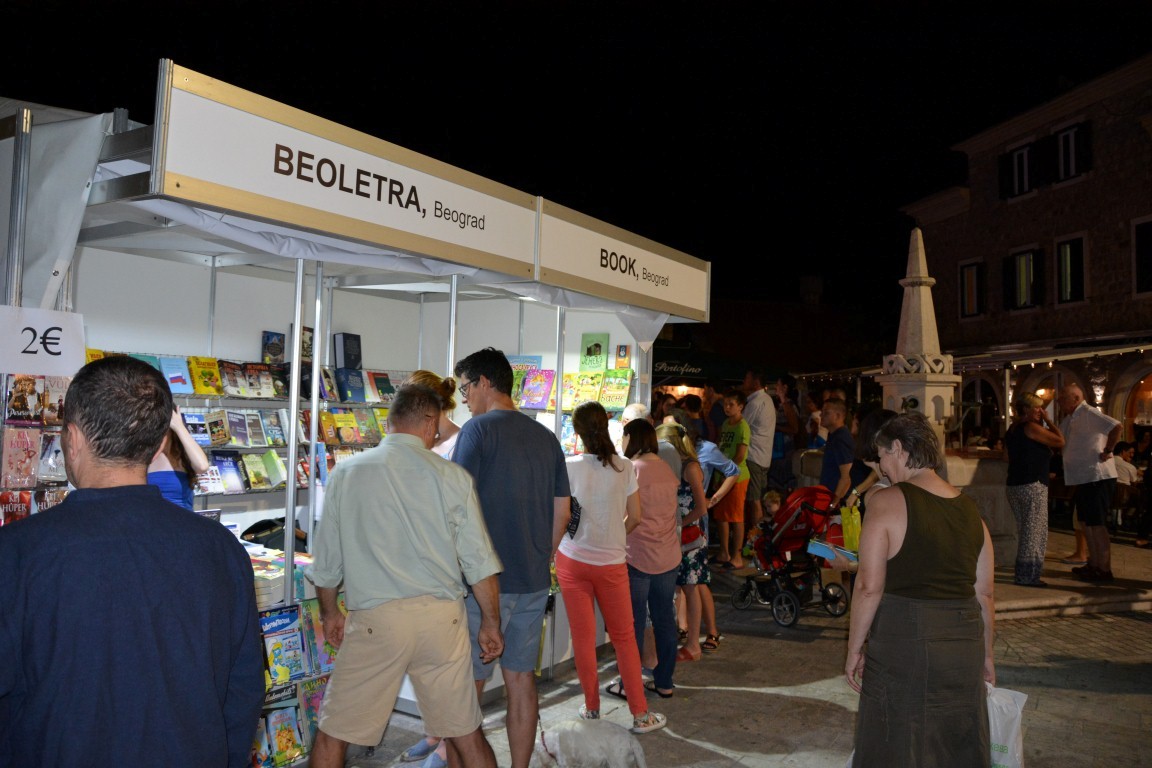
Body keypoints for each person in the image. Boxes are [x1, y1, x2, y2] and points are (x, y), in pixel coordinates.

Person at [0, 355, 264, 766]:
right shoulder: (220, 548)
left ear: (73, 439)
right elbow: (243, 690)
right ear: (158, 444)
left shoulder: (17, 552)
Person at [308, 384, 504, 768]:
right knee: (466, 732)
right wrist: (491, 623)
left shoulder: (347, 473)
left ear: (390, 421)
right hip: (441, 621)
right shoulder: (452, 477)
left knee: (334, 734)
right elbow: (478, 563)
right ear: (430, 423)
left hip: (376, 621)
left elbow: (327, 563)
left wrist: (330, 614)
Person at [845, 412, 995, 766]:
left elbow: (868, 587)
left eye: (882, 456)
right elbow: (985, 594)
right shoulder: (971, 510)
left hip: (904, 639)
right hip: (964, 643)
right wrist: (987, 656)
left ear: (898, 449)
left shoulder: (886, 502)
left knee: (897, 740)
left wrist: (853, 649)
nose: (882, 468)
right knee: (954, 745)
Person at [451, 347, 571, 768]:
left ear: (485, 383)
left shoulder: (476, 431)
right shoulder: (546, 437)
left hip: (482, 585)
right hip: (533, 581)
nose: (464, 398)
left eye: (465, 388)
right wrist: (540, 554)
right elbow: (563, 512)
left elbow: (456, 505)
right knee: (521, 682)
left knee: (466, 690)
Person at [556, 401, 666, 734]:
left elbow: (561, 516)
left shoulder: (568, 466)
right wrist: (615, 534)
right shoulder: (624, 467)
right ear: (607, 426)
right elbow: (636, 517)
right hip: (611, 563)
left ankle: (591, 708)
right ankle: (640, 715)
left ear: (577, 432)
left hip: (572, 560)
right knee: (624, 638)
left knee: (583, 638)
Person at [394, 370, 465, 767]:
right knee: (421, 660)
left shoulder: (458, 443)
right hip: (411, 559)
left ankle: (445, 744)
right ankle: (434, 732)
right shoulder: (416, 441)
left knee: (443, 663)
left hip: (440, 563)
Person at [656, 421, 737, 660]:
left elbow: (701, 507)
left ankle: (694, 643)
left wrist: (680, 524)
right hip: (677, 534)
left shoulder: (690, 466)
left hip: (690, 537)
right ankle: (682, 638)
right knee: (681, 587)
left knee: (692, 587)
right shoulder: (674, 465)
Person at [621, 418, 682, 699]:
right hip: (667, 555)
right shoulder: (666, 468)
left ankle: (630, 684)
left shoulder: (633, 469)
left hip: (637, 556)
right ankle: (665, 681)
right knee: (664, 620)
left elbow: (630, 516)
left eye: (623, 436)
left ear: (632, 438)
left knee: (632, 623)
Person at [1059, 383, 1122, 582]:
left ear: (1076, 399)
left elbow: (1117, 426)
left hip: (1097, 476)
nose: (1060, 401)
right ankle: (1093, 564)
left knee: (1096, 524)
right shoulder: (1069, 419)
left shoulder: (1089, 413)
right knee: (1086, 523)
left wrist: (1108, 450)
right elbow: (1059, 439)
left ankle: (1104, 569)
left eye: (1063, 398)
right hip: (1083, 477)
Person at [1004, 393, 1065, 588]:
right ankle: (1028, 576)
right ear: (1026, 409)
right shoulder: (1030, 427)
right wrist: (1049, 421)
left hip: (1015, 484)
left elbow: (1006, 457)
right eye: (1037, 408)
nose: (1041, 411)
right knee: (1034, 533)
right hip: (1032, 485)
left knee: (1026, 531)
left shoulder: (1013, 429)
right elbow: (1060, 440)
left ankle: (1023, 574)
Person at [712, 388, 750, 569]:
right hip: (723, 474)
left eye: (731, 404)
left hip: (736, 477)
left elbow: (740, 455)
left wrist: (726, 474)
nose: (727, 407)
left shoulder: (743, 426)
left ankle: (737, 556)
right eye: (725, 404)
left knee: (736, 516)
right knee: (721, 515)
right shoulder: (726, 423)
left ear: (740, 406)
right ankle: (724, 552)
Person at [147, 406, 211, 510]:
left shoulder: (183, 454)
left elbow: (202, 466)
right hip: (149, 517)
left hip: (182, 517)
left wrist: (179, 427)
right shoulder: (143, 454)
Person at [742, 368, 777, 533]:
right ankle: (760, 534)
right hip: (764, 456)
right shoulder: (767, 400)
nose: (744, 382)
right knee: (760, 499)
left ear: (755, 382)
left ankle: (755, 538)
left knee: (754, 499)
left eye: (746, 378)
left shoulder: (755, 403)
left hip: (754, 456)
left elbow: (742, 426)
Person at [819, 397, 854, 505]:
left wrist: (833, 504)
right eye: (822, 412)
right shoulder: (834, 436)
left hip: (836, 502)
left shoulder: (840, 438)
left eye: (826, 413)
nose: (821, 415)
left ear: (838, 416)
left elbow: (846, 476)